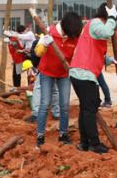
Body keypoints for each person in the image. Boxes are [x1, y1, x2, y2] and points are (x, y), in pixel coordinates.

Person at [69, 3, 117, 154]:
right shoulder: (96, 23)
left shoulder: (91, 27)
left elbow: (94, 51)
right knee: (90, 109)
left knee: (86, 109)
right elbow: (107, 32)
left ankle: (84, 143)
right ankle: (94, 144)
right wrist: (112, 17)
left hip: (80, 73)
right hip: (84, 74)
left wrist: (110, 60)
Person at [36, 12, 83, 147]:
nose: (71, 37)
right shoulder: (49, 32)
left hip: (64, 74)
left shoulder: (75, 37)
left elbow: (77, 55)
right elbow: (37, 53)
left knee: (64, 105)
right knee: (45, 104)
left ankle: (63, 133)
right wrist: (44, 44)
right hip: (47, 72)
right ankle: (40, 136)